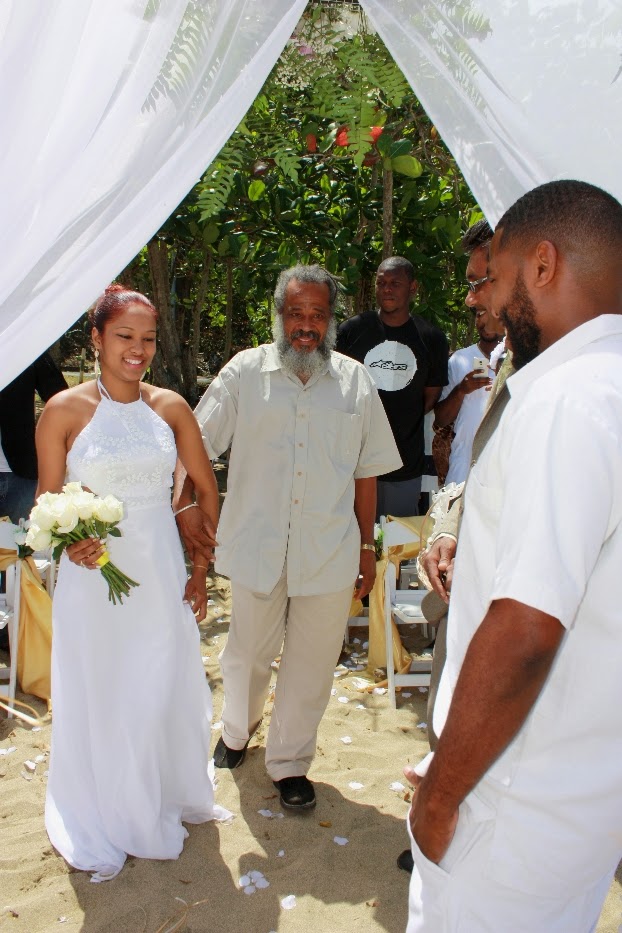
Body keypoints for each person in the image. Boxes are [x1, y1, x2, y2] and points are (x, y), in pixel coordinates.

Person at [405, 179, 622, 932]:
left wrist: (443, 792)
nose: (479, 300)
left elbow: (527, 628)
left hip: (514, 807)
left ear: (542, 265)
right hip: (582, 782)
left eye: (490, 277)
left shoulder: (566, 401)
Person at [175, 264, 401, 811]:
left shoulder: (354, 381)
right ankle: (236, 732)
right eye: (296, 313)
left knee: (312, 663)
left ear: (331, 320)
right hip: (255, 544)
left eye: (317, 315)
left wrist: (368, 547)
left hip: (329, 549)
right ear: (279, 316)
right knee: (247, 654)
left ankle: (290, 764)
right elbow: (196, 445)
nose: (306, 325)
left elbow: (366, 470)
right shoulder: (243, 374)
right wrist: (186, 506)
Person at [35, 284, 229, 882]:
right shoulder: (63, 411)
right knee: (104, 687)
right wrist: (73, 541)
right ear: (95, 339)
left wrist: (198, 570)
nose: (137, 349)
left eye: (147, 338)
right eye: (124, 336)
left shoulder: (170, 407)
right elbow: (47, 499)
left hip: (159, 569)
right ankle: (109, 808)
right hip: (92, 578)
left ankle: (157, 797)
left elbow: (204, 489)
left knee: (158, 682)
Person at [336, 257, 448, 518]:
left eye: (395, 283)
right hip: (353, 462)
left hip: (404, 465)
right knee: (354, 544)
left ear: (413, 288)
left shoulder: (431, 338)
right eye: (381, 283)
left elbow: (430, 397)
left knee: (395, 546)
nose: (387, 289)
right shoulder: (352, 331)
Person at [434, 221, 505, 485]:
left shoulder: (543, 365)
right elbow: (440, 420)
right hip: (464, 474)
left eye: (477, 282)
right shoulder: (461, 360)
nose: (470, 299)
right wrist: (462, 389)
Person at [0, 352, 67, 523]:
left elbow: (61, 397)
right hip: (21, 474)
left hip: (21, 474)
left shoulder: (25, 341)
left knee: (27, 546)